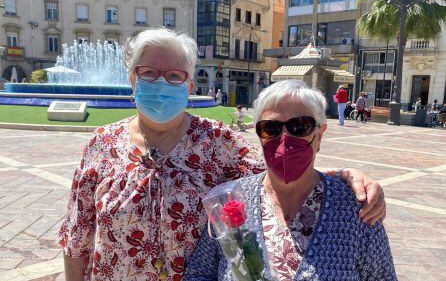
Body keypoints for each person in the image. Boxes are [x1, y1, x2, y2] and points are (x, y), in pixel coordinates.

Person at [58, 28, 386, 281]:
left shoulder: (218, 142)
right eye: (149, 73)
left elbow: (281, 170)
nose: (161, 83)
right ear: (132, 79)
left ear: (188, 85)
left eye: (174, 76)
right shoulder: (102, 143)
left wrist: (345, 178)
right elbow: (77, 238)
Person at [184, 80, 396, 281]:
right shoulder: (231, 201)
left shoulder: (356, 209)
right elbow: (199, 273)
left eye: (300, 126)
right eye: (270, 128)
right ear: (259, 135)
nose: (284, 139)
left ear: (320, 136)